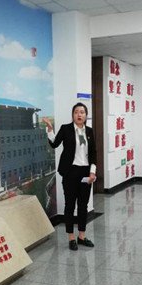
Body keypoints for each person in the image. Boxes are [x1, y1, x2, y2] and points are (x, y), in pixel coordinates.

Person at [43, 103, 97, 251]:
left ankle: (82, 236)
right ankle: (71, 237)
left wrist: (92, 172)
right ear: (73, 115)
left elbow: (93, 153)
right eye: (76, 112)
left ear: (86, 115)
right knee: (70, 205)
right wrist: (50, 129)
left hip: (85, 172)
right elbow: (54, 144)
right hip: (70, 172)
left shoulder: (90, 131)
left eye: (82, 112)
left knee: (83, 205)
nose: (79, 115)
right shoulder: (66, 129)